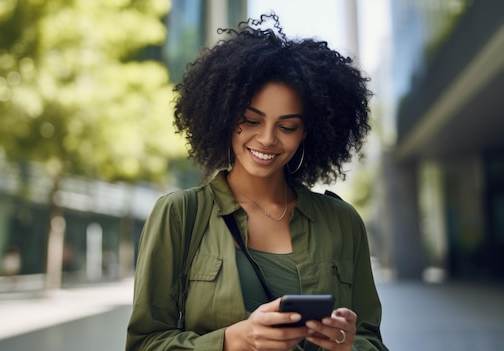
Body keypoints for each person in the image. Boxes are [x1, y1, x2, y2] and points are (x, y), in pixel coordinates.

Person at [126, 13, 388, 351]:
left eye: (287, 126)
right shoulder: (180, 215)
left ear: (307, 132)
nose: (266, 139)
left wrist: (347, 345)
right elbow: (144, 343)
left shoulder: (342, 222)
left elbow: (373, 342)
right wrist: (233, 340)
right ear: (225, 115)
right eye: (251, 120)